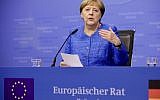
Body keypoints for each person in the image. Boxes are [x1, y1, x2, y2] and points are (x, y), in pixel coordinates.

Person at [61, 0, 128, 67]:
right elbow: (66, 60)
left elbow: (122, 63)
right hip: (78, 76)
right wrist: (65, 64)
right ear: (81, 14)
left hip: (104, 76)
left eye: (95, 10)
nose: (91, 13)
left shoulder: (109, 31)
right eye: (87, 9)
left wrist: (118, 44)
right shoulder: (74, 33)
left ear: (101, 15)